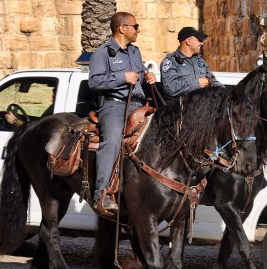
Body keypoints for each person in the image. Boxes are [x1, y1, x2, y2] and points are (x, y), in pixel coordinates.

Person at [88, 11, 156, 213]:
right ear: (122, 28)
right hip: (114, 105)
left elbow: (139, 76)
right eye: (135, 26)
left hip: (138, 105)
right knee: (113, 142)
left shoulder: (135, 52)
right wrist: (121, 77)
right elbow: (94, 81)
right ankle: (102, 193)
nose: (138, 30)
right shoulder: (102, 52)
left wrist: (148, 77)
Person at [160, 26, 223, 100]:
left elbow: (212, 80)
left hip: (202, 107)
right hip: (182, 109)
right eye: (199, 40)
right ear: (188, 41)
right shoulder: (171, 62)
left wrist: (226, 92)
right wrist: (197, 83)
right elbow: (171, 89)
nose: (201, 43)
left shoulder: (200, 60)